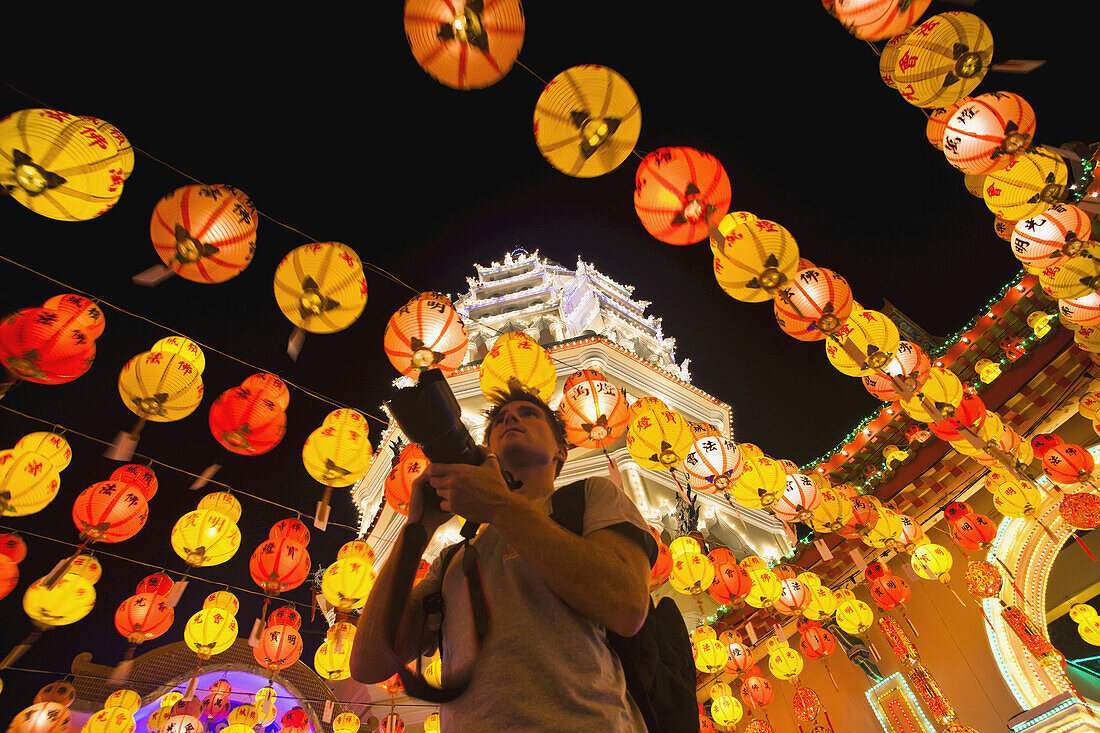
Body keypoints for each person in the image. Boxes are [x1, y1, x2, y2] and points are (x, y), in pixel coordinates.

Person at [351, 385, 657, 731]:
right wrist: (415, 532)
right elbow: (368, 663)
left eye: (529, 413)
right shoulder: (454, 557)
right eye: (499, 420)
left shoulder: (591, 497)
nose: (511, 417)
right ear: (488, 451)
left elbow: (626, 605)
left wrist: (499, 504)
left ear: (561, 450)